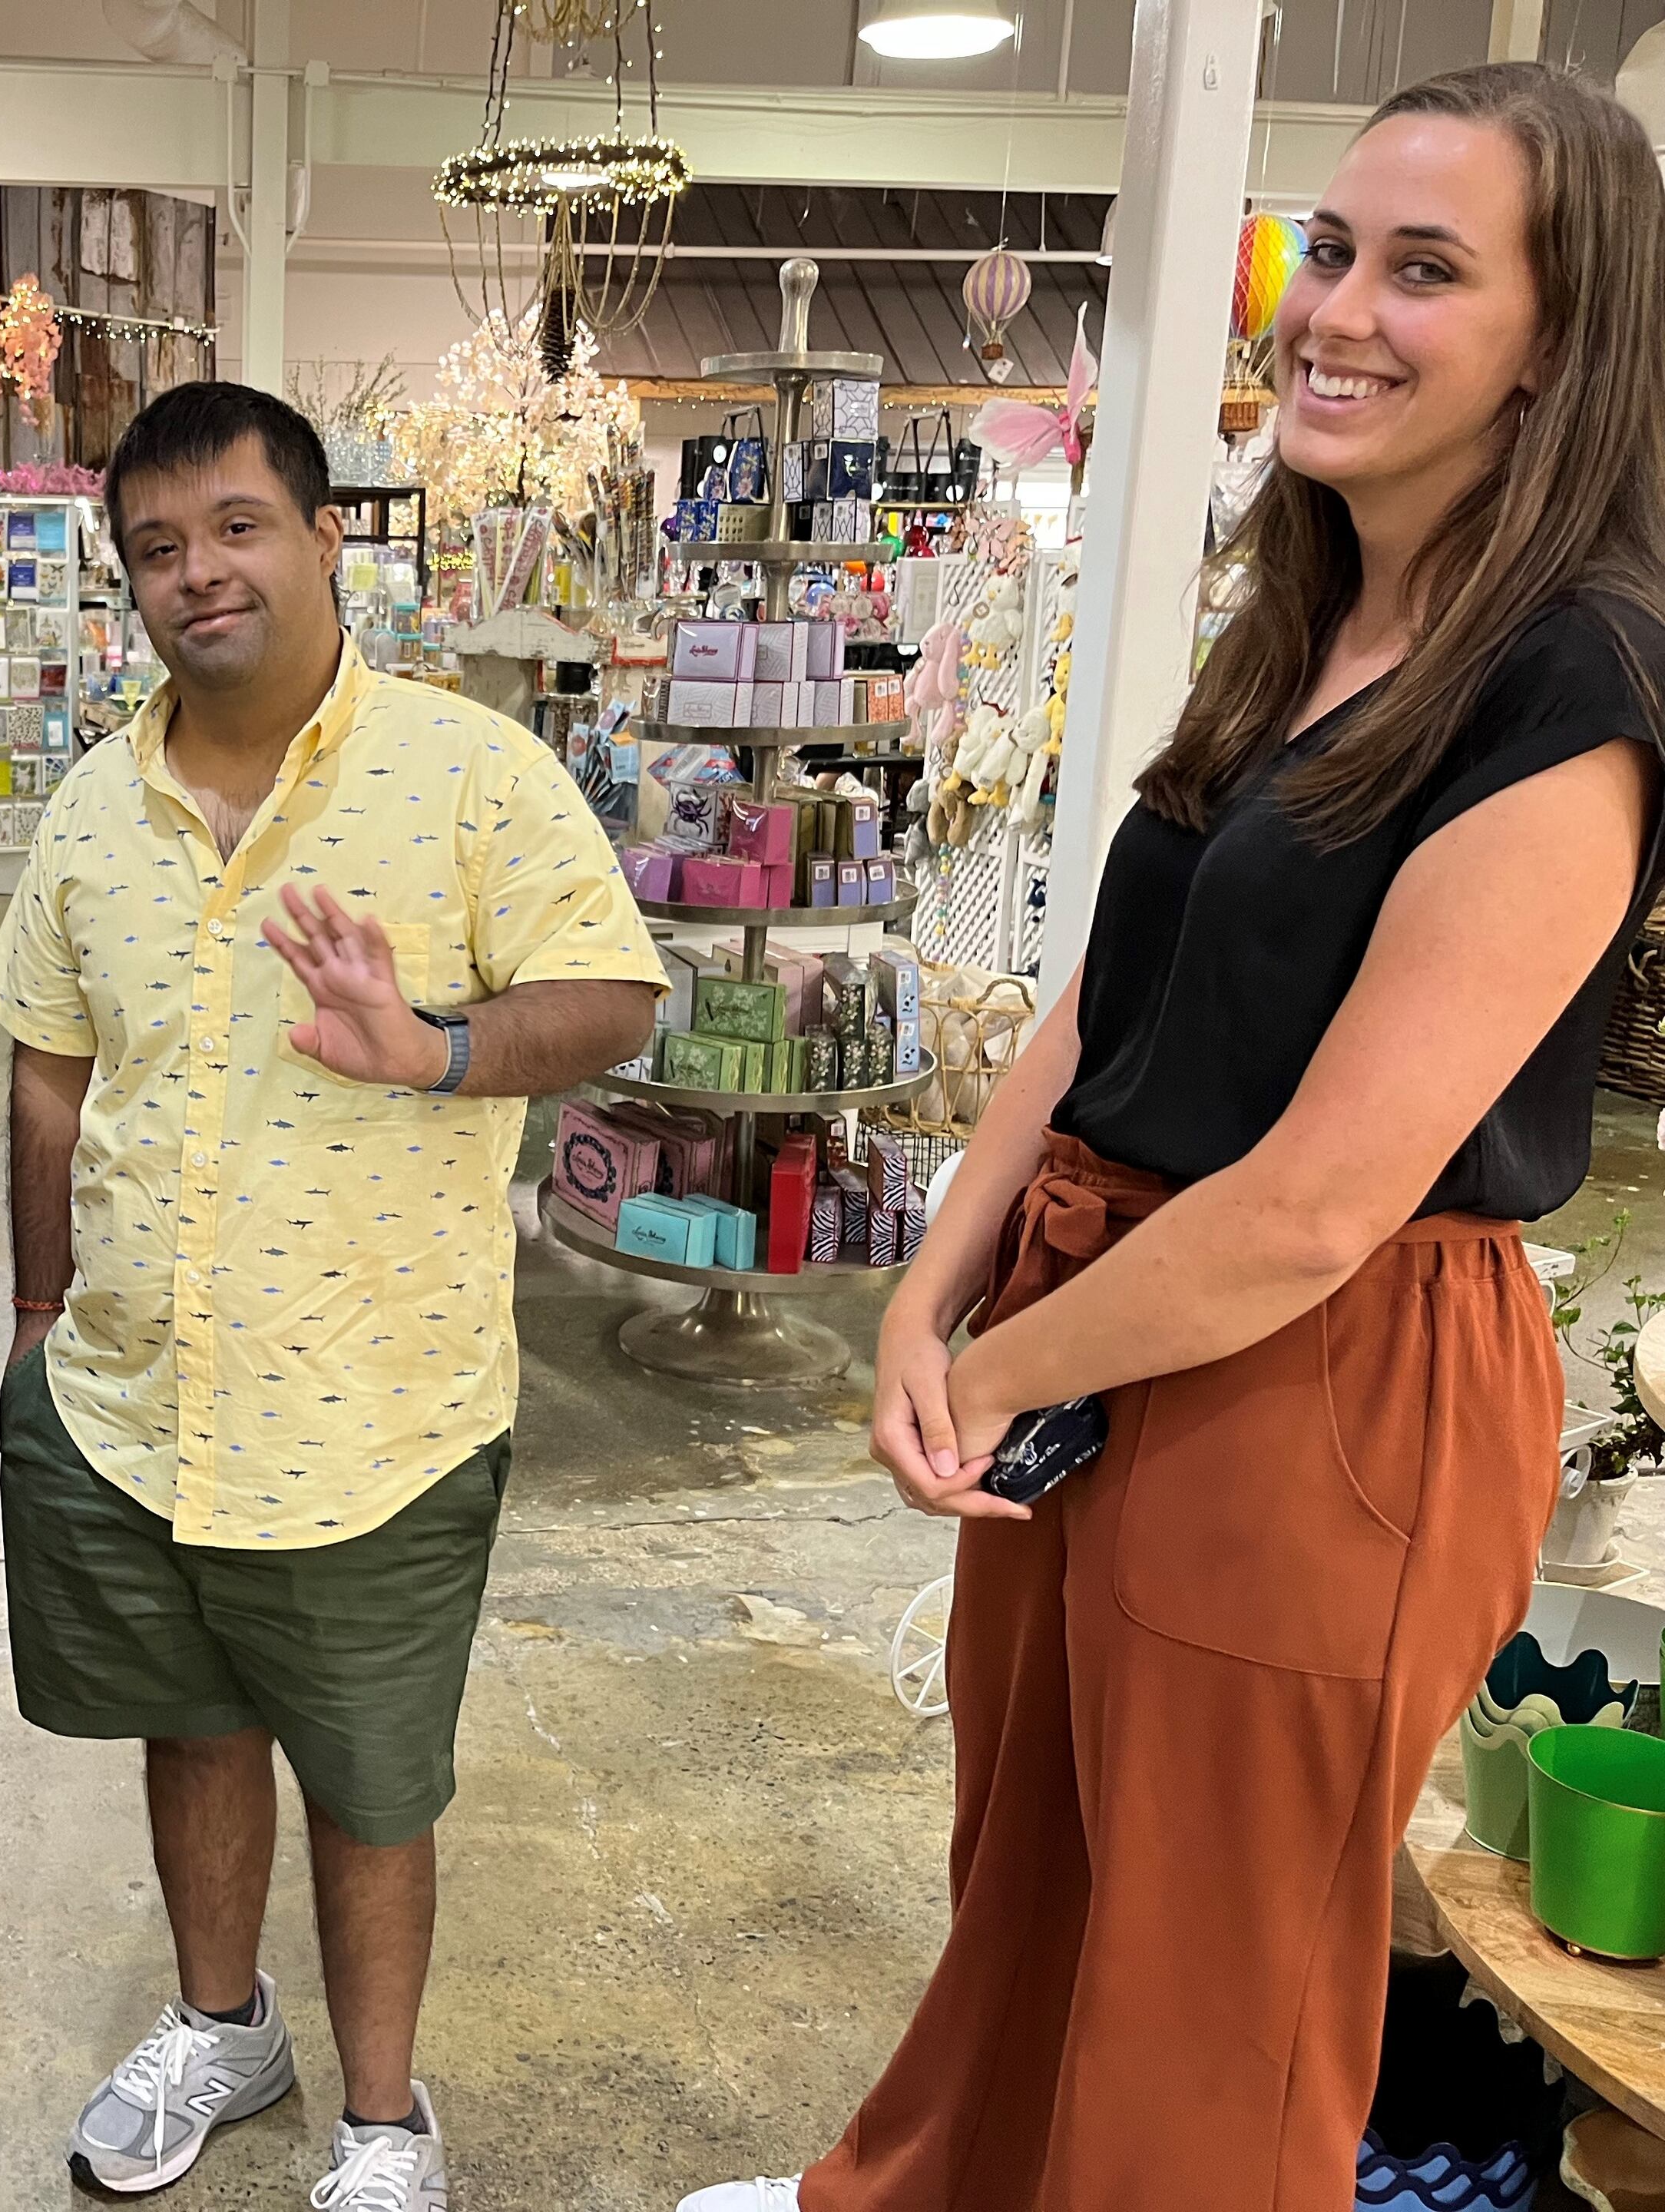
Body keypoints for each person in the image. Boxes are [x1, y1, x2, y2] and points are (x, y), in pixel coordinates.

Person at [681, 61, 1665, 2212]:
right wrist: (933, 1292)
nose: (1341, 309)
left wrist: (1003, 1368)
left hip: (1317, 1378)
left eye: (1429, 269)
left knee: (1206, 1991)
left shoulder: (1572, 686)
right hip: (1097, 1311)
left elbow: (1320, 1200)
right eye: (1330, 249)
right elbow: (1092, 1009)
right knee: (1034, 1870)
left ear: (1561, 342)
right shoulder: (1308, 614)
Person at [0, 382, 662, 2209]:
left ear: (319, 534)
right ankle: (222, 2023)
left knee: (371, 1779)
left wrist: (434, 1045)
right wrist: (38, 1322)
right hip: (129, 1401)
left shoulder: (468, 775)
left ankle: (378, 2116)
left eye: (233, 525)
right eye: (153, 547)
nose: (194, 572)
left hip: (375, 1405)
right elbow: (48, 1070)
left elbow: (609, 993)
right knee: (187, 1724)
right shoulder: (86, 811)